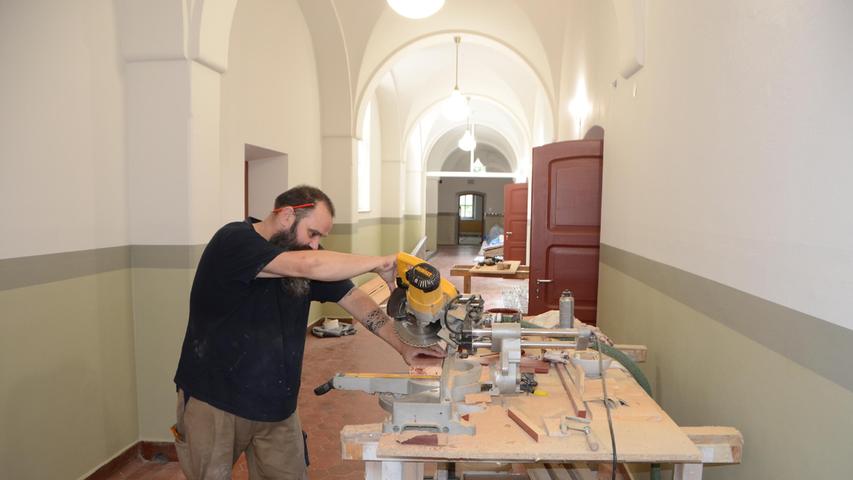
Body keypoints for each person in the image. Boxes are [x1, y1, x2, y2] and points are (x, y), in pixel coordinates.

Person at [173, 185, 445, 480]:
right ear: (288, 215)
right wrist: (380, 262)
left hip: (277, 403)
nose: (315, 245)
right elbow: (310, 264)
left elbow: (354, 300)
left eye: (320, 238)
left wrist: (402, 345)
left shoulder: (303, 253)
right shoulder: (234, 241)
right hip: (216, 400)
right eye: (313, 233)